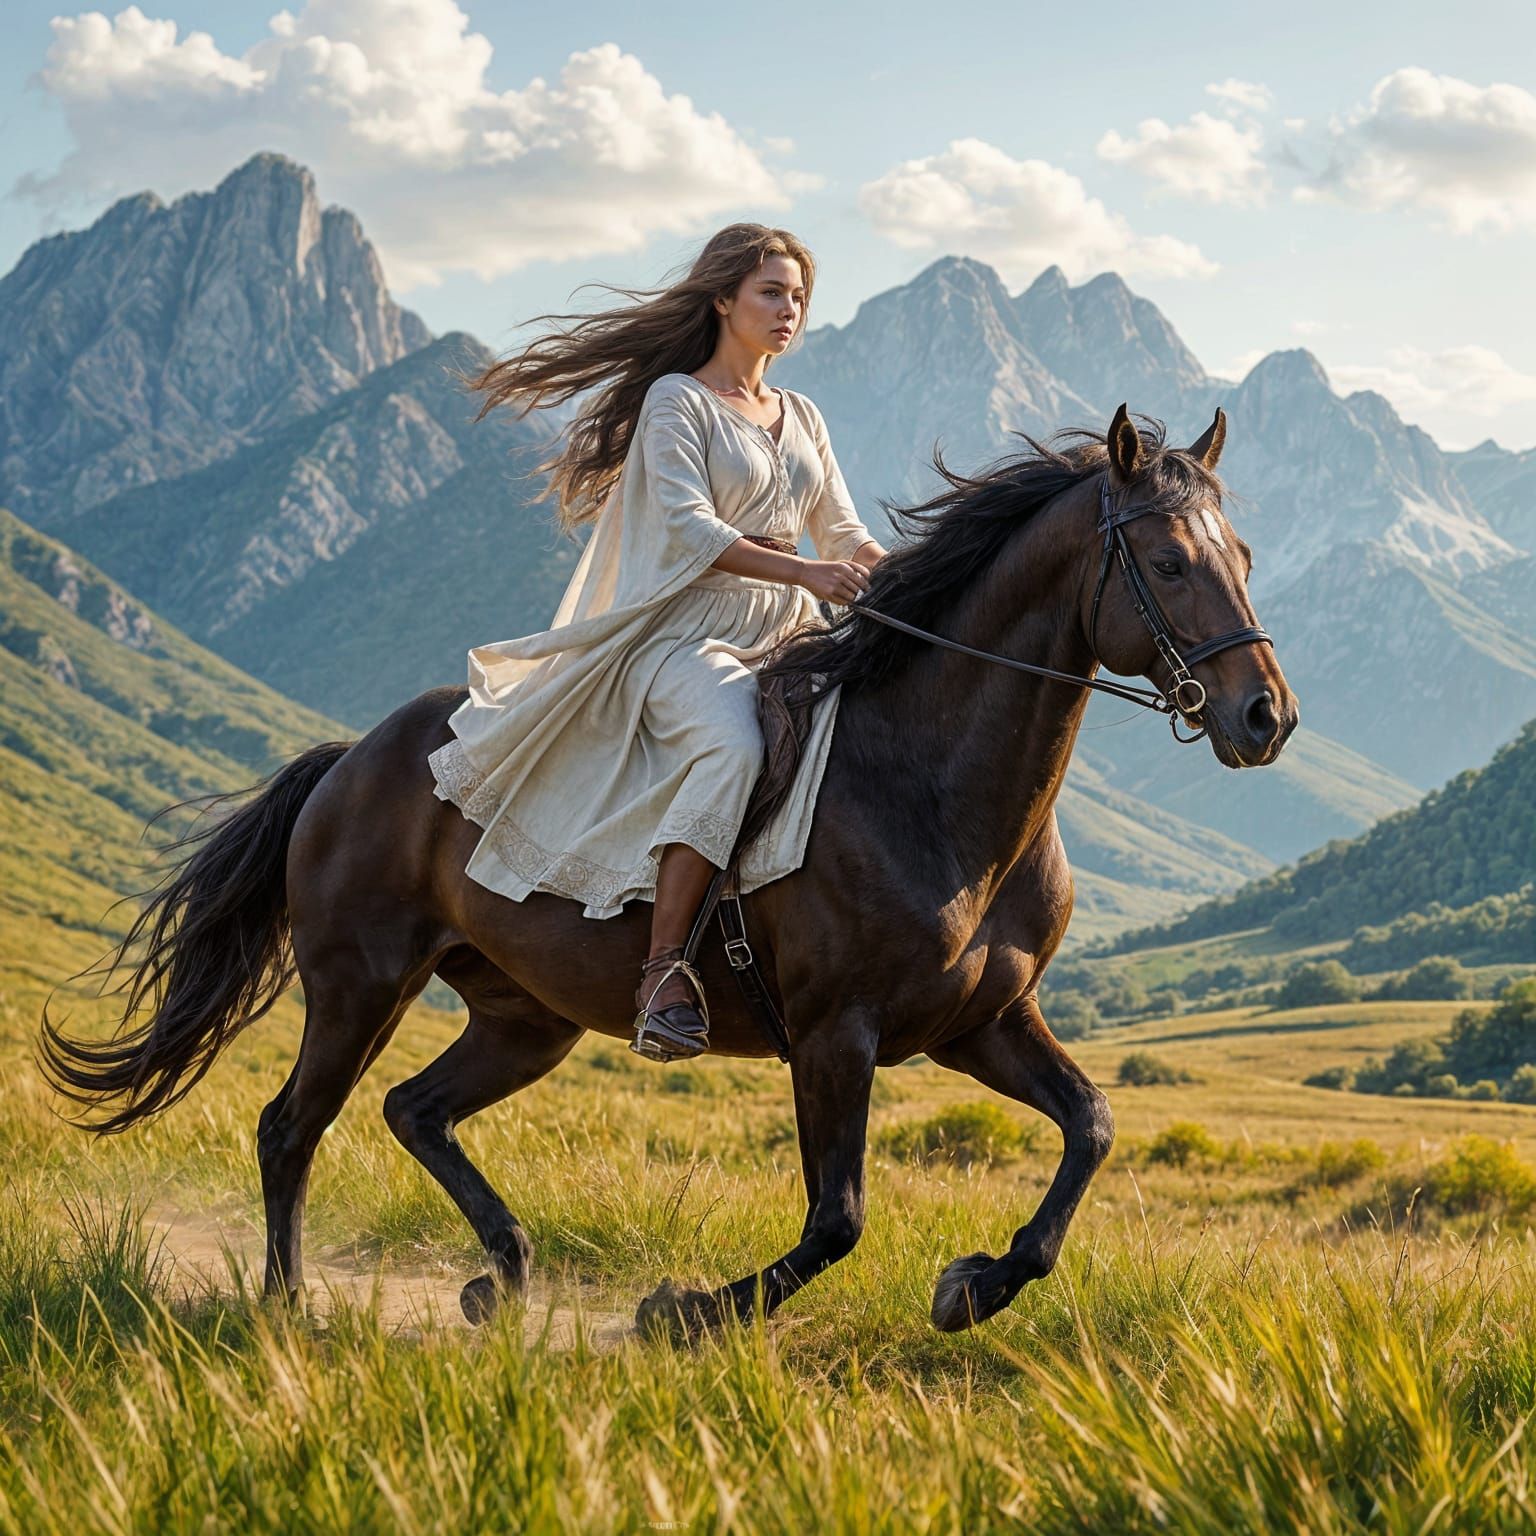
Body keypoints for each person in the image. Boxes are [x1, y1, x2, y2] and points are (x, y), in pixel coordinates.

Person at [427, 223, 887, 1063]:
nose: (790, 310)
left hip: (787, 634)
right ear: (723, 300)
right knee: (732, 747)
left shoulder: (803, 415)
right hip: (683, 636)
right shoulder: (679, 401)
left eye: (799, 297)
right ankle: (663, 969)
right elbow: (687, 529)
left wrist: (894, 576)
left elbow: (843, 528)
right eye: (772, 293)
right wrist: (809, 578)